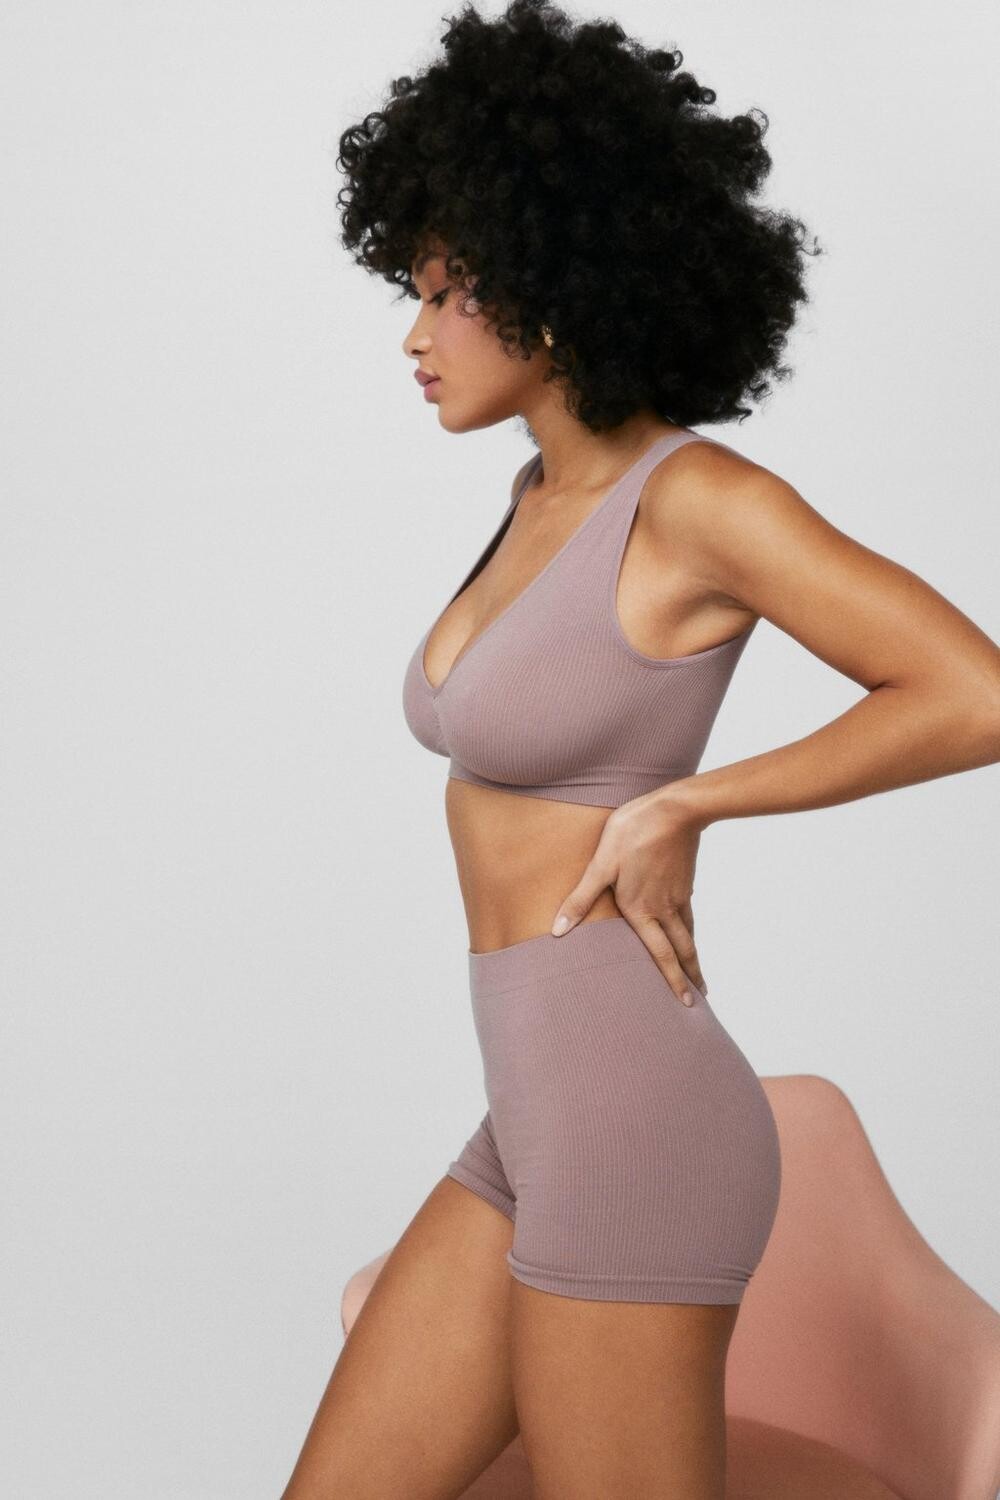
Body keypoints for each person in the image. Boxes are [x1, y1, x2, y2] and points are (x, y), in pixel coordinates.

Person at [280, 2, 1000, 1495]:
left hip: (632, 1127)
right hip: (532, 1121)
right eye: (413, 291)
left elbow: (972, 691)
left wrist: (694, 803)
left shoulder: (697, 502)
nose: (414, 335)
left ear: (554, 289)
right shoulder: (534, 497)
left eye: (448, 293)